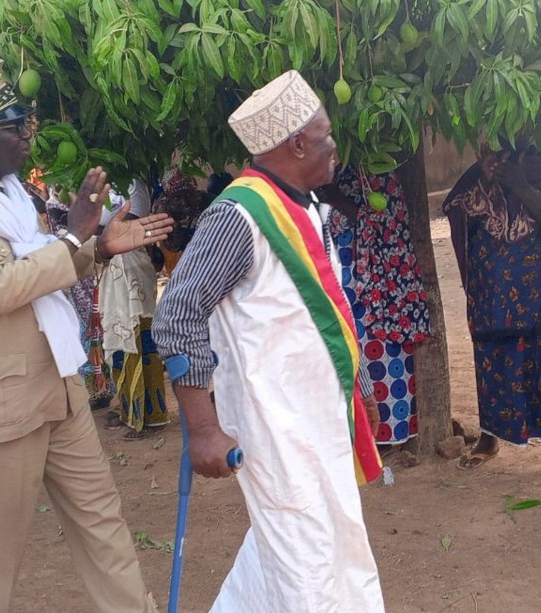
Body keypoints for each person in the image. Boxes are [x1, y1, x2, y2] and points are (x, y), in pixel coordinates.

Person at [0, 60, 172, 612]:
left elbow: (44, 265)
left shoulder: (10, 194)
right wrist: (74, 236)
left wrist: (97, 247)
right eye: (14, 128)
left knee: (103, 524)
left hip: (57, 383)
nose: (28, 136)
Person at [153, 70, 384, 612]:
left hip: (318, 414)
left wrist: (358, 388)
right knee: (307, 562)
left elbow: (326, 309)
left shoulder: (304, 205)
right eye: (326, 136)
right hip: (274, 425)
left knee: (327, 542)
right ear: (297, 143)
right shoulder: (237, 217)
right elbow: (178, 314)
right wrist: (202, 429)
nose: (334, 146)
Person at [443, 140, 541, 478]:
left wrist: (521, 185)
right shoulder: (485, 169)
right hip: (491, 287)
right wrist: (483, 177)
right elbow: (456, 208)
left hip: (538, 285)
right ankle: (489, 438)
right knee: (492, 360)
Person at [322, 165, 431, 445]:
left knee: (386, 356)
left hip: (380, 287)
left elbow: (385, 224)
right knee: (357, 353)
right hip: (346, 282)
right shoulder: (332, 177)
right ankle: (364, 436)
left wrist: (337, 199)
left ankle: (393, 434)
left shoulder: (378, 177)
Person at [100, 179, 169, 439]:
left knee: (140, 341)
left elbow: (129, 225)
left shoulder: (134, 184)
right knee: (120, 341)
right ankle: (128, 410)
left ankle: (147, 417)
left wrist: (96, 230)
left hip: (132, 270)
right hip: (114, 270)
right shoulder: (106, 186)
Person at [45, 186, 116, 410]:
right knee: (84, 328)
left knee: (96, 326)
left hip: (87, 266)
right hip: (71, 272)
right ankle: (94, 389)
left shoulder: (80, 203)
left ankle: (102, 388)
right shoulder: (54, 206)